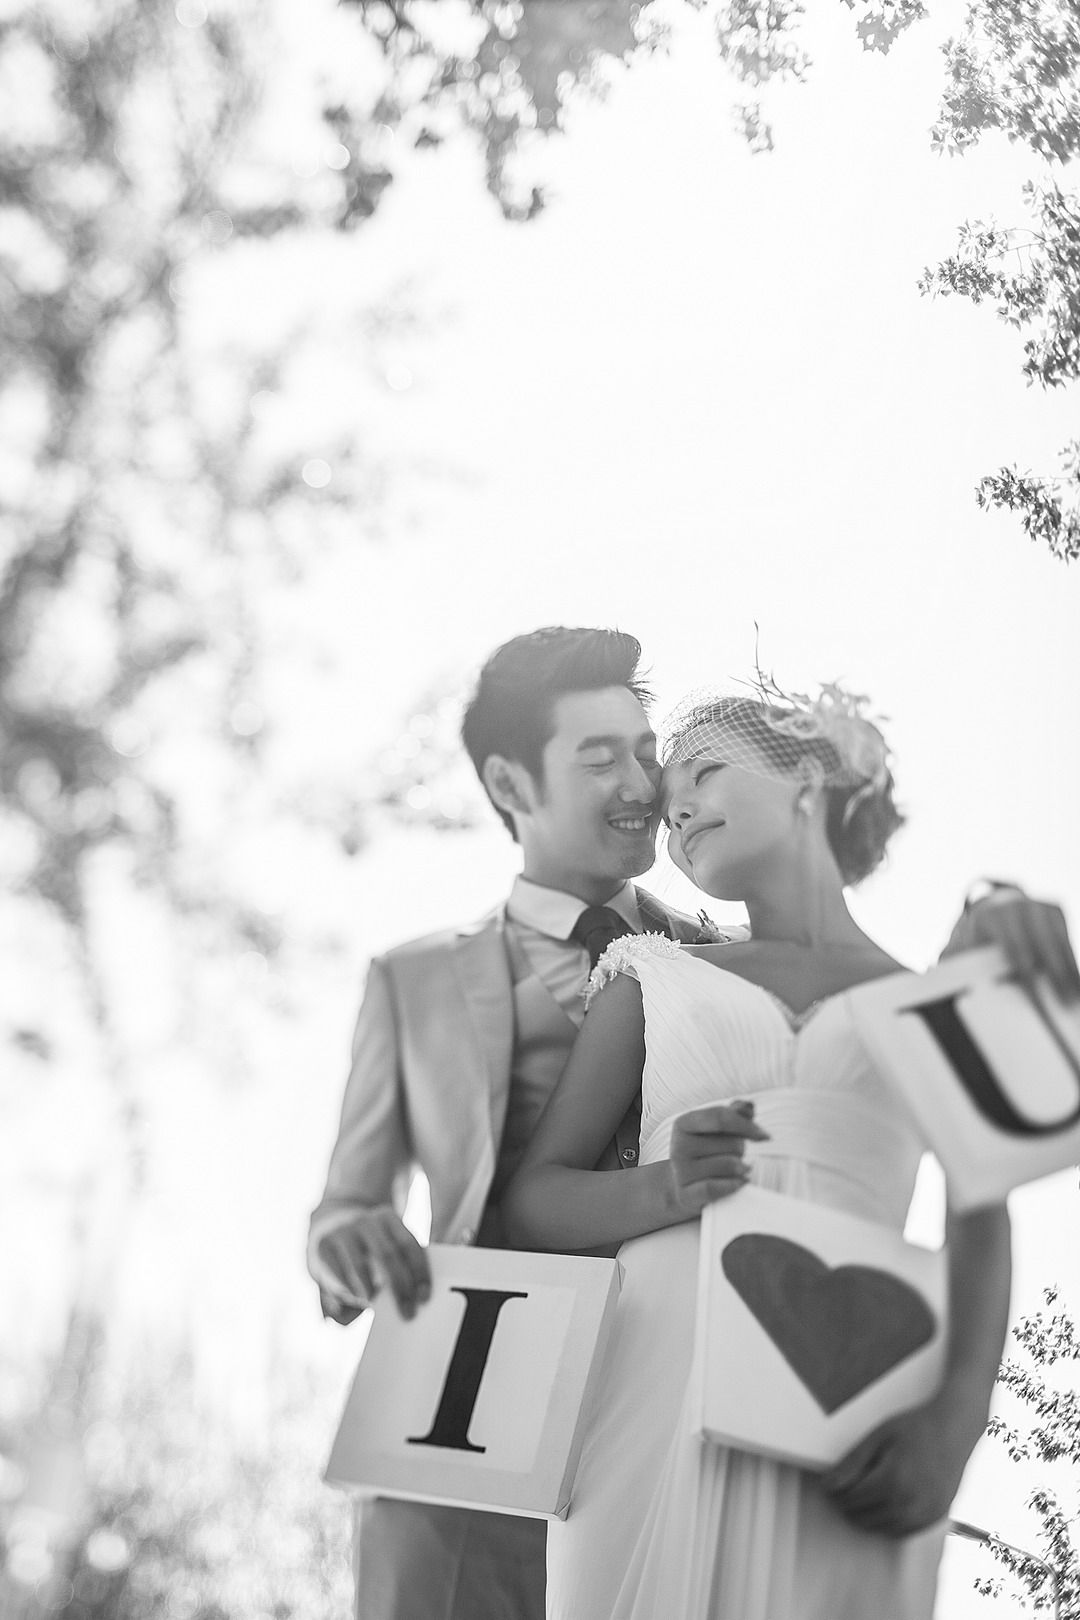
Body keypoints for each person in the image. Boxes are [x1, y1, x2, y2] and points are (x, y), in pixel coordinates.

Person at [502, 681, 1076, 1620]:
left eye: (704, 772)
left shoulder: (931, 997)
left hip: (859, 1402)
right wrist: (665, 1188)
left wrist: (954, 1426)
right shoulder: (652, 974)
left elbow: (983, 1214)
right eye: (669, 802)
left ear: (808, 773)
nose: (677, 809)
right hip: (650, 1391)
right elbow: (534, 1199)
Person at [307, 628, 735, 1620]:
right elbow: (346, 1210)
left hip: (681, 1419)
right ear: (509, 782)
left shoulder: (737, 961)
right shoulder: (413, 981)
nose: (640, 785)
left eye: (646, 753)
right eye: (600, 758)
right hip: (462, 1426)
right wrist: (350, 1248)